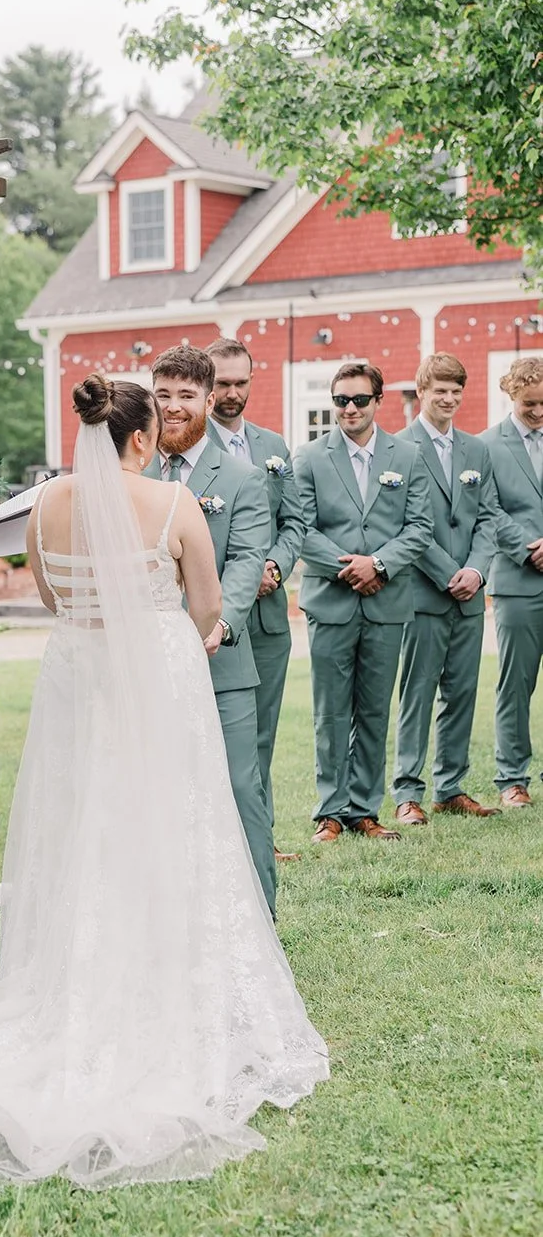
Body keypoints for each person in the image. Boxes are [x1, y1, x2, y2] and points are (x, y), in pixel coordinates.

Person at [0, 372, 328, 1187]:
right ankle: (163, 986)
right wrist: (202, 629)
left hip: (77, 673)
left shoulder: (46, 505)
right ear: (140, 437)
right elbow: (200, 606)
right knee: (165, 823)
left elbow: (52, 594)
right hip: (158, 675)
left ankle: (73, 981)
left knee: (82, 823)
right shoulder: (170, 504)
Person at [144, 345, 277, 918]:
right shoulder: (135, 472)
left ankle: (259, 917)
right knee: (159, 793)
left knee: (240, 788)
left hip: (220, 659)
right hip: (146, 662)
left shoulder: (244, 477)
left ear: (208, 397)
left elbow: (249, 559)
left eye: (185, 395)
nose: (173, 408)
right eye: (163, 395)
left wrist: (221, 622)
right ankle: (175, 915)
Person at [293, 361, 432, 842]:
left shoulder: (408, 455)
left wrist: (380, 565)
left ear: (378, 401)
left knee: (374, 709)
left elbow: (419, 528)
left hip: (387, 601)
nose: (348, 409)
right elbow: (300, 529)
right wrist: (349, 567)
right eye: (340, 400)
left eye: (358, 399)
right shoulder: (309, 456)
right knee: (330, 711)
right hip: (330, 602)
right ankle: (330, 812)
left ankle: (364, 810)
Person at [206, 337, 306, 860]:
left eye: (241, 383)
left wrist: (276, 564)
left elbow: (295, 521)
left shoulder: (274, 447)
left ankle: (256, 838)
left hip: (268, 620)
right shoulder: (191, 449)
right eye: (222, 383)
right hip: (212, 616)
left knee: (260, 737)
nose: (232, 393)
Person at [392, 354, 503, 822]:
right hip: (423, 592)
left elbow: (490, 517)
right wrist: (447, 572)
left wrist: (476, 571)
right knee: (417, 691)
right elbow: (400, 523)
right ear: (422, 392)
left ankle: (451, 786)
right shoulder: (397, 448)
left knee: (462, 691)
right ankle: (407, 792)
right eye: (440, 390)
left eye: (456, 391)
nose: (449, 399)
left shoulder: (477, 451)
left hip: (471, 595)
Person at [480, 356, 543, 806]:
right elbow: (490, 510)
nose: (539, 412)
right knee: (515, 682)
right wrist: (529, 546)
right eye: (529, 405)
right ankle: (512, 778)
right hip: (518, 579)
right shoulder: (488, 446)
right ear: (511, 395)